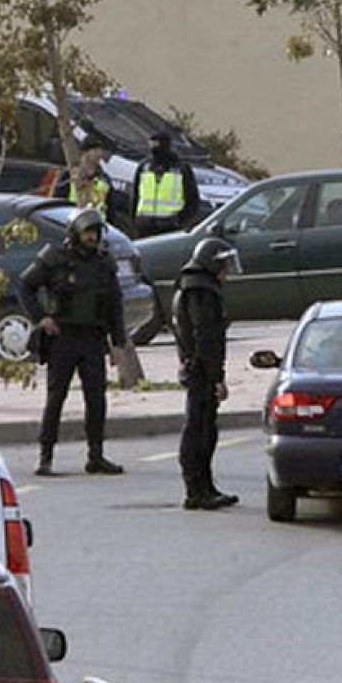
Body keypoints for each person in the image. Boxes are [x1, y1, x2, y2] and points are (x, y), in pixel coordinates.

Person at [17, 208, 126, 477]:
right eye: (87, 232)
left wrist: (118, 342)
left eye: (96, 232)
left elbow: (114, 304)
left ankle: (96, 455)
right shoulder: (55, 258)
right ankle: (46, 456)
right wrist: (41, 318)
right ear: (75, 234)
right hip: (63, 337)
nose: (92, 237)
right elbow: (24, 286)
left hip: (92, 339)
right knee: (56, 398)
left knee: (96, 399)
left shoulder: (104, 263)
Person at [174, 238, 242, 511]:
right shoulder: (200, 291)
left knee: (206, 429)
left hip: (201, 368)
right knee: (198, 429)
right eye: (224, 265)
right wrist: (216, 377)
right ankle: (195, 489)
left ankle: (206, 485)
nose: (227, 272)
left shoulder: (199, 287)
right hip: (201, 371)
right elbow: (206, 338)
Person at [129, 132, 201, 239]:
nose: (153, 148)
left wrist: (180, 220)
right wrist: (135, 220)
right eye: (151, 145)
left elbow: (192, 199)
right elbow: (135, 196)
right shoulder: (144, 167)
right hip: (145, 227)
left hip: (170, 228)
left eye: (156, 145)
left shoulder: (180, 168)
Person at [52, 137, 114, 215]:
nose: (99, 154)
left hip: (97, 223)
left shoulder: (105, 179)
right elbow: (57, 202)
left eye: (100, 150)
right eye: (95, 150)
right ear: (85, 152)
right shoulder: (69, 175)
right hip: (72, 222)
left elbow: (110, 207)